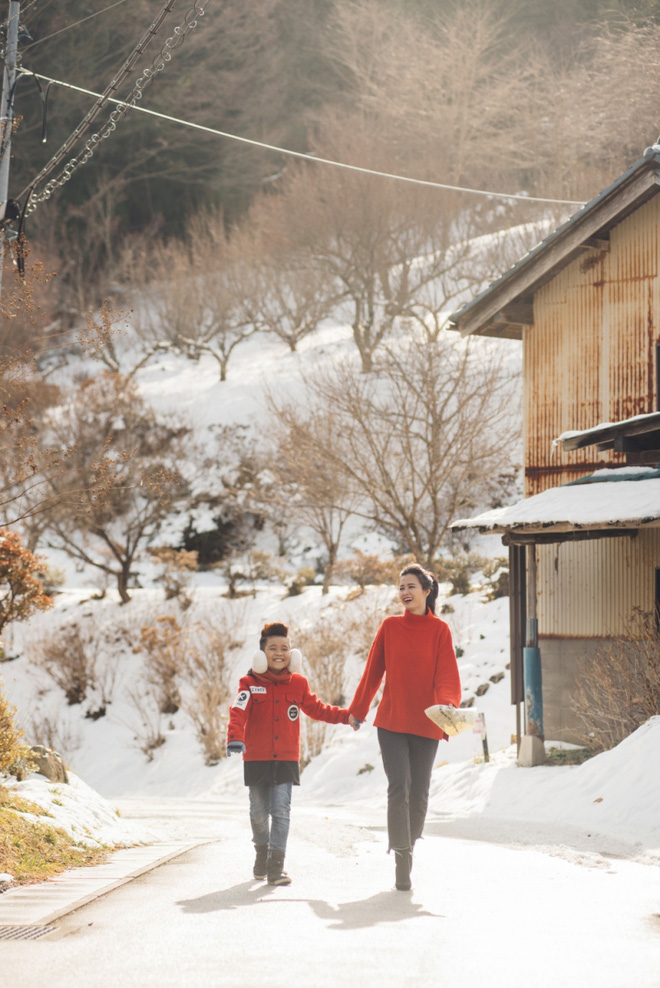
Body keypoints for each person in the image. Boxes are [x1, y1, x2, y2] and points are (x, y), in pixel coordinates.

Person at [348, 563, 461, 891]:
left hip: (427, 722)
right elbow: (373, 672)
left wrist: (447, 706)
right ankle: (401, 857)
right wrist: (358, 709)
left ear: (427, 592)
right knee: (399, 787)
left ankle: (408, 846)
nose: (405, 592)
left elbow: (447, 675)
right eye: (401, 587)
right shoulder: (390, 627)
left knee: (420, 793)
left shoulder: (440, 630)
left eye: (411, 586)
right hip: (393, 721)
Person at [227, 621, 358, 886]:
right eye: (273, 648)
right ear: (262, 654)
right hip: (256, 758)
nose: (279, 653)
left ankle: (276, 867)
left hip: (286, 758)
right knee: (258, 814)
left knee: (282, 811)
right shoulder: (249, 683)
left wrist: (347, 716)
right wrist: (234, 739)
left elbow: (319, 709)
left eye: (285, 648)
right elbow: (238, 712)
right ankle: (261, 852)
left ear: (292, 654)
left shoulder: (298, 684)